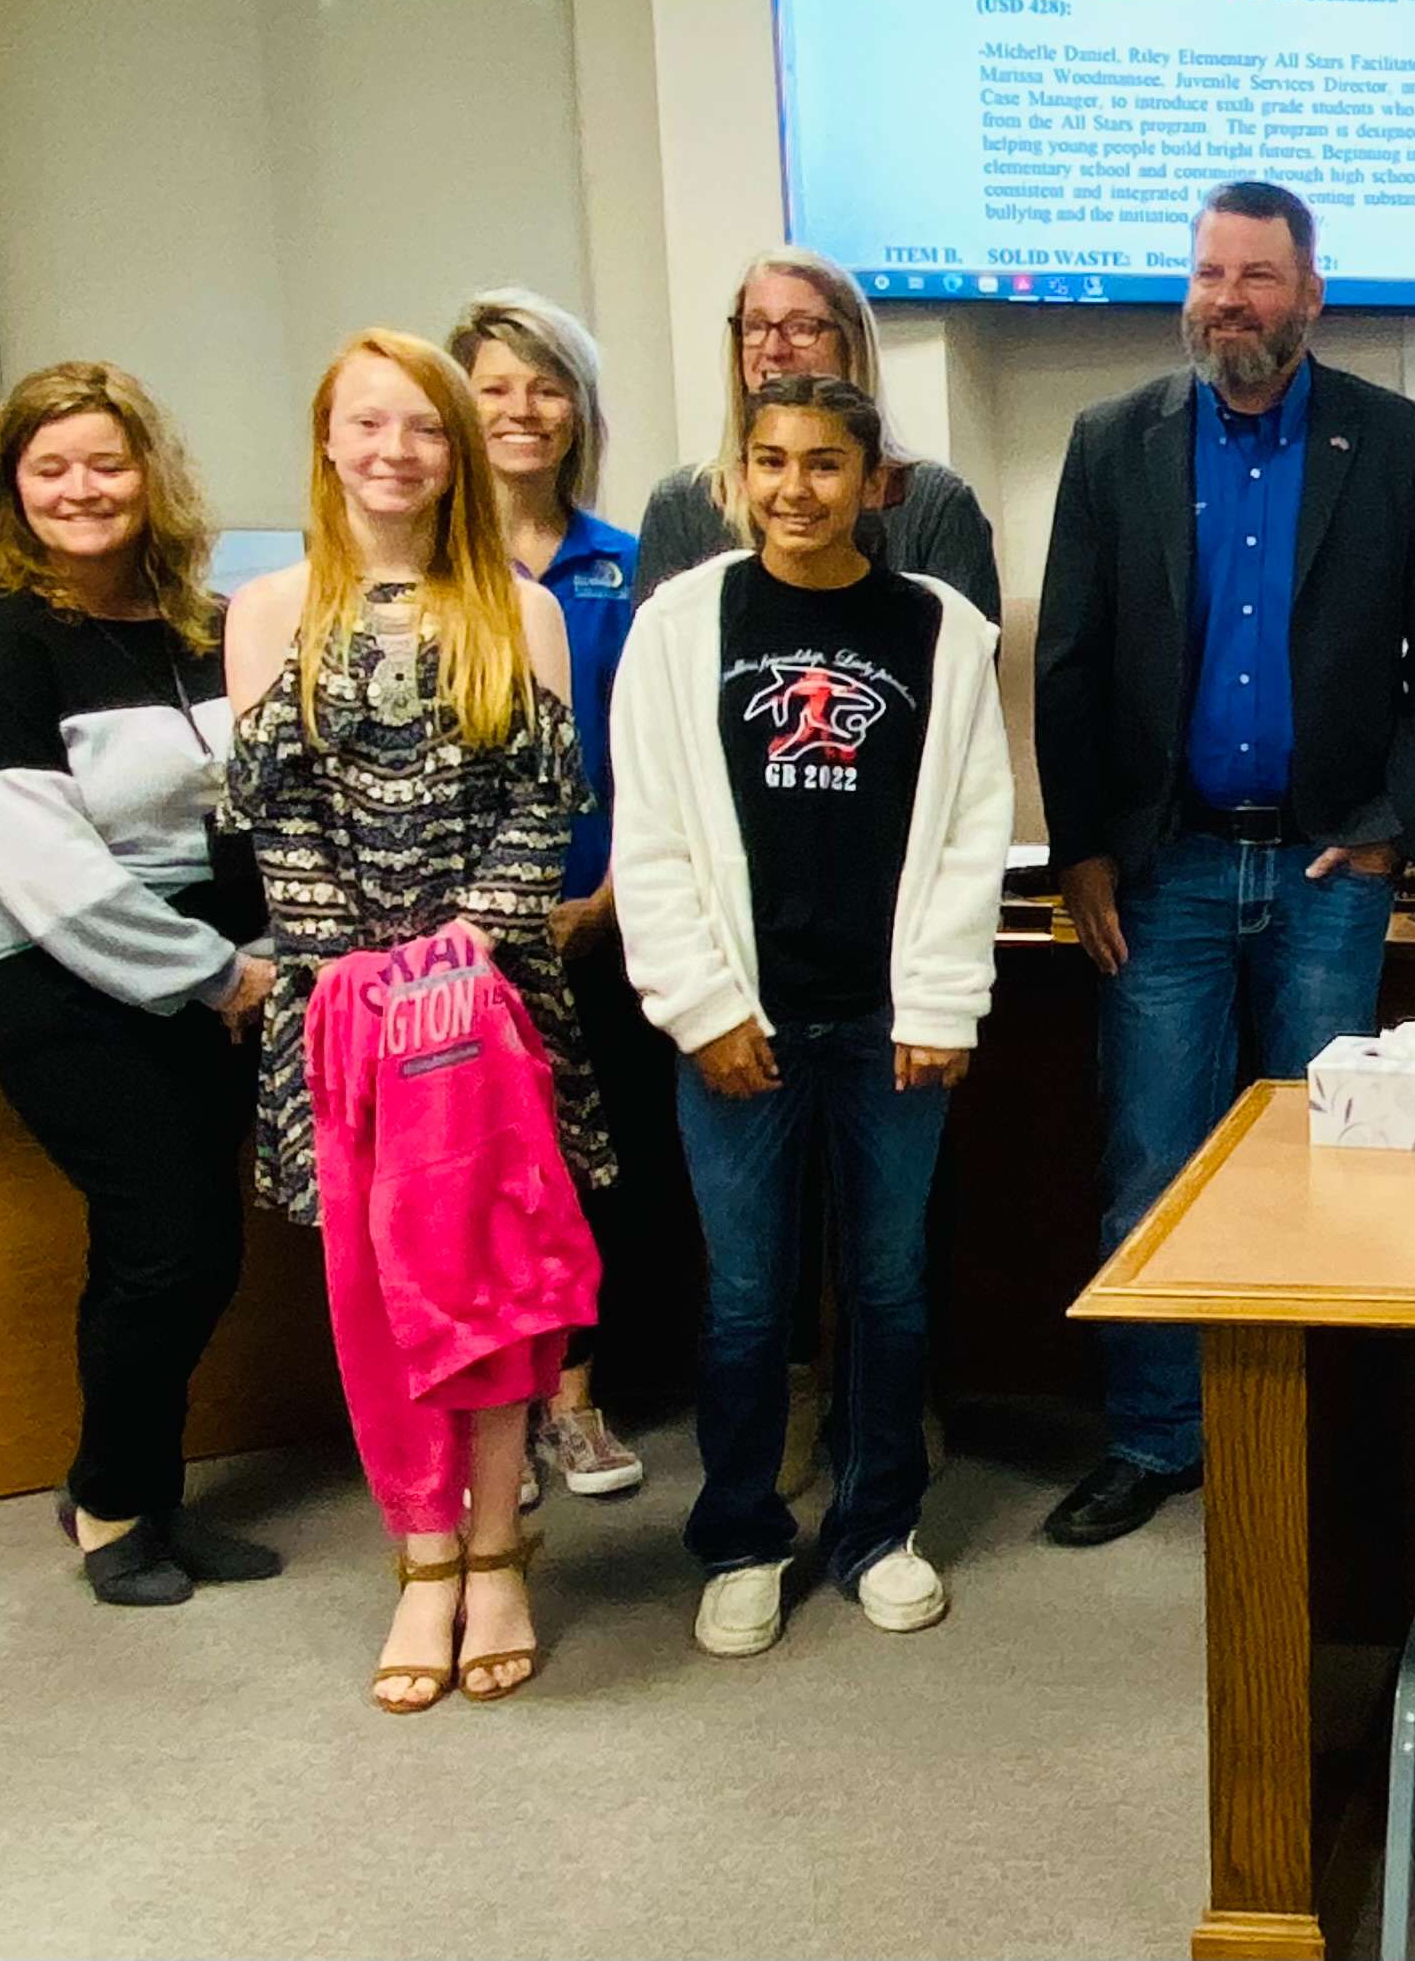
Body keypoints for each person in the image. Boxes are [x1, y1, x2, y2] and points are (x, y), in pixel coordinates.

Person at [1034, 180, 1415, 1545]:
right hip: (1161, 870)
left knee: (1326, 1159)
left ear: (1312, 292)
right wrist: (1083, 849)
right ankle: (1158, 1435)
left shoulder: (1396, 440)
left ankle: (1316, 1428)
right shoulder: (1113, 442)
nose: (1231, 298)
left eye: (1261, 275)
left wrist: (1400, 815)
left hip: (1325, 871)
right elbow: (1070, 658)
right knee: (1155, 1157)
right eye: (1212, 271)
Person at [222, 329, 614, 1710]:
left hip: (492, 1005)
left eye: (424, 428)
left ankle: (500, 1545)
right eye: (368, 425)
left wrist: (457, 953)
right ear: (328, 441)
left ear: (457, 449)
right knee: (382, 1294)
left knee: (493, 1292)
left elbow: (541, 810)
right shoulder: (268, 607)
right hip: (338, 1006)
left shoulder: (525, 607)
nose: (396, 452)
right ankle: (423, 1551)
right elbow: (279, 813)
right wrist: (362, 972)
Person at [613, 373, 1015, 1656]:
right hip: (742, 1026)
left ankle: (878, 1527)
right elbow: (656, 832)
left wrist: (944, 998)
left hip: (890, 1021)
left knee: (887, 1287)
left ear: (872, 480)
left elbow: (969, 832)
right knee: (745, 1297)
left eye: (825, 463)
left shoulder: (941, 630)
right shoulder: (681, 623)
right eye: (770, 461)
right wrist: (699, 1004)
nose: (797, 488)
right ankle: (738, 1534)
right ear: (738, 477)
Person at [0, 363, 281, 1607]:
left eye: (106, 463)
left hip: (205, 978)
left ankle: (141, 1487)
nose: (81, 489)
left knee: (198, 1248)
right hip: (64, 977)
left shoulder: (203, 629)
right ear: (12, 489)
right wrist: (216, 973)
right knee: (164, 1239)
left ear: (151, 478)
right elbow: (41, 866)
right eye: (51, 467)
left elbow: (254, 811)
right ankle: (113, 1503)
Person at [452, 288, 646, 1500]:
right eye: (494, 390)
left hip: (604, 915)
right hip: (462, 937)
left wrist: (617, 895)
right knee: (471, 1170)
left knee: (588, 1168)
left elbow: (657, 751)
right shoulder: (426, 567)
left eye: (546, 385)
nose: (523, 411)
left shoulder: (625, 566)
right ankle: (491, 1410)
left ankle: (572, 1397)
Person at [633, 247, 1000, 618]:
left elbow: (964, 661)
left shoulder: (934, 505)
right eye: (756, 327)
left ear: (850, 343)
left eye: (801, 328)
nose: (774, 349)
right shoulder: (680, 506)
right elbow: (653, 664)